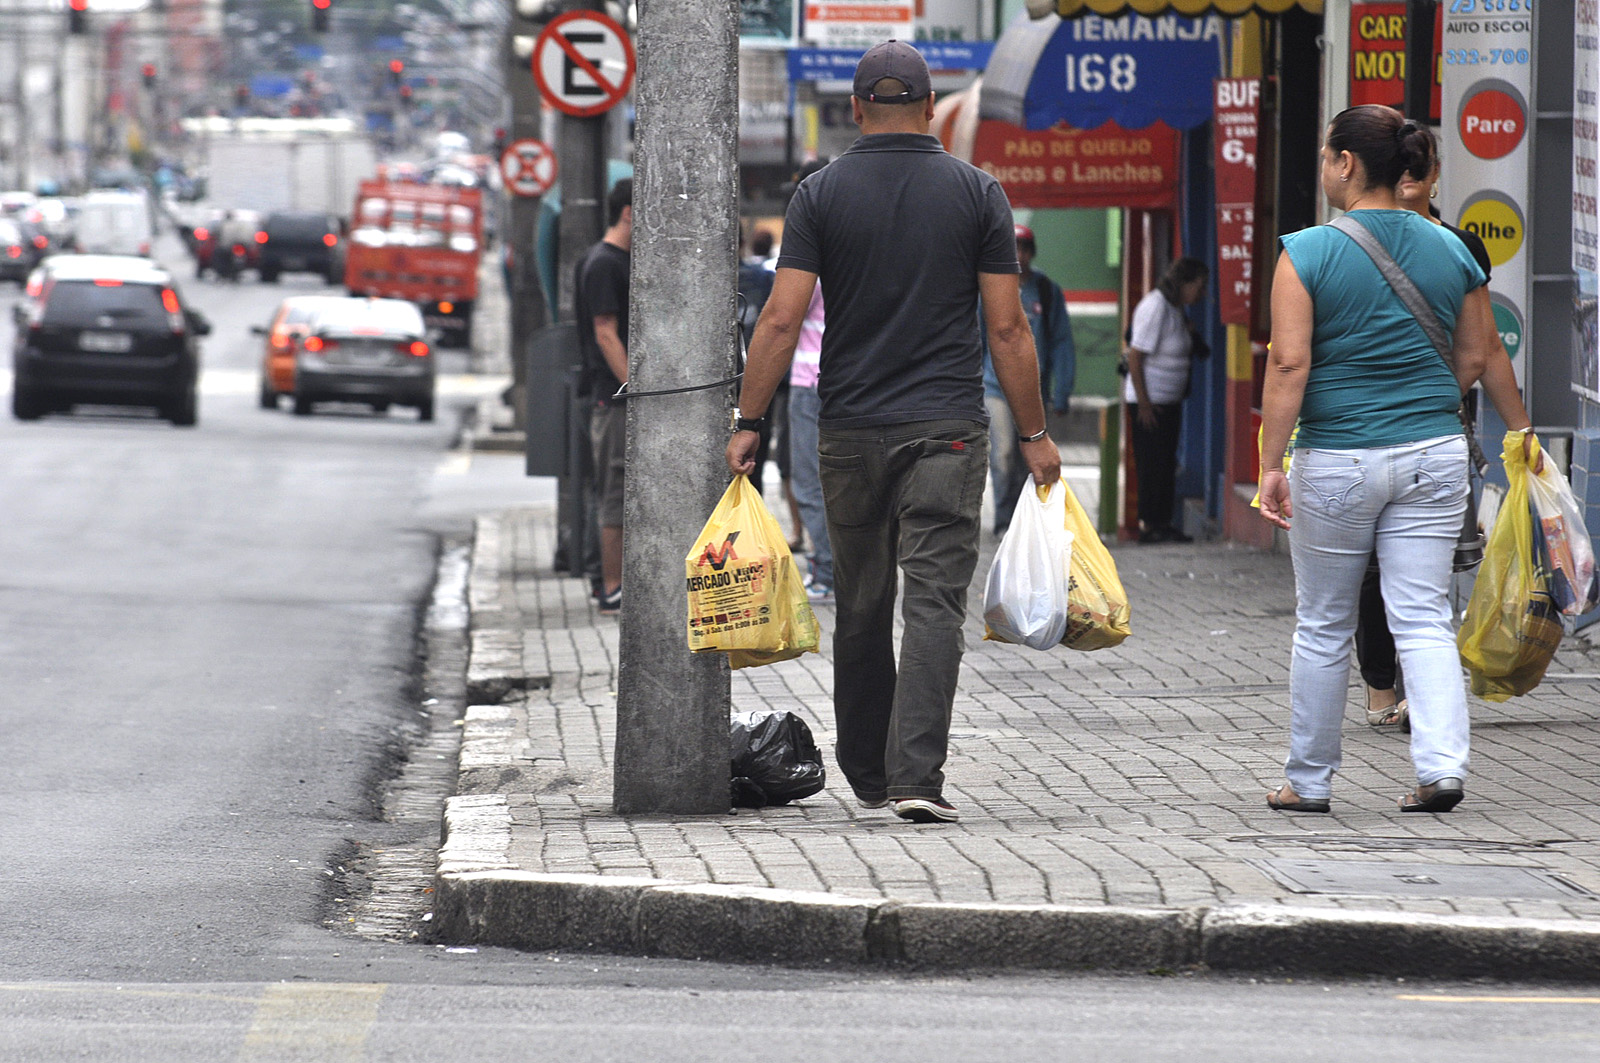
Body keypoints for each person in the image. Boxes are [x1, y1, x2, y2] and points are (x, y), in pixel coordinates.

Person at [726, 41, 1061, 825]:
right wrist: (1037, 434)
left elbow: (781, 318)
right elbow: (1009, 330)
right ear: (930, 106)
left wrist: (749, 422)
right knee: (936, 603)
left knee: (863, 600)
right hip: (946, 427)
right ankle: (918, 778)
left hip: (848, 428)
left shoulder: (819, 193)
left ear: (854, 109)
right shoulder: (978, 192)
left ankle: (867, 770)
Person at [1257, 105, 1509, 815]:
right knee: (1424, 616)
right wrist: (1416, 403)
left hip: (1336, 455)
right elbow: (1474, 355)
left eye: (1324, 154)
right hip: (1432, 453)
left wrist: (1272, 462)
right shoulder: (1450, 247)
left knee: (1324, 622)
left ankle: (1307, 781)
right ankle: (1442, 768)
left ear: (1345, 164)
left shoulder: (1305, 252)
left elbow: (1289, 363)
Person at [1354, 129, 1541, 732]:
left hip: (1427, 429)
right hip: (1362, 433)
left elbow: (1483, 348)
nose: (1411, 177)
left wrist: (1521, 434)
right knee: (1372, 571)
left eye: (1420, 166)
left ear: (1436, 172)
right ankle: (1383, 683)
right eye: (1401, 165)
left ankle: (1416, 695)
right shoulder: (1340, 244)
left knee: (1421, 573)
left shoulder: (1460, 248)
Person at [982, 223, 1076, 534]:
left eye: (1024, 248)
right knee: (1004, 453)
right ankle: (1004, 521)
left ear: (1031, 253)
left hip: (1035, 390)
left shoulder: (1047, 292)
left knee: (1032, 458)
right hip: (995, 388)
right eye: (1014, 248)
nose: (1019, 255)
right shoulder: (991, 289)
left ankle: (1028, 523)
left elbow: (1062, 342)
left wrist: (1062, 391)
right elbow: (978, 340)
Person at [573, 178, 632, 616]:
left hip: (619, 397)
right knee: (615, 491)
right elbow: (605, 333)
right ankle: (611, 586)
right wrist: (636, 386)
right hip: (613, 399)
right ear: (629, 212)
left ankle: (616, 582)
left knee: (622, 490)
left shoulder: (619, 260)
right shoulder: (604, 264)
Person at [1124, 258, 1208, 543]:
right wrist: (1145, 404)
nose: (1202, 293)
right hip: (1151, 403)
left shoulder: (1176, 309)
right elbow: (1136, 356)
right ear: (1185, 282)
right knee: (1152, 464)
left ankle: (1163, 521)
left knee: (1165, 464)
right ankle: (1150, 525)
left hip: (1168, 401)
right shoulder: (1155, 306)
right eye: (1199, 286)